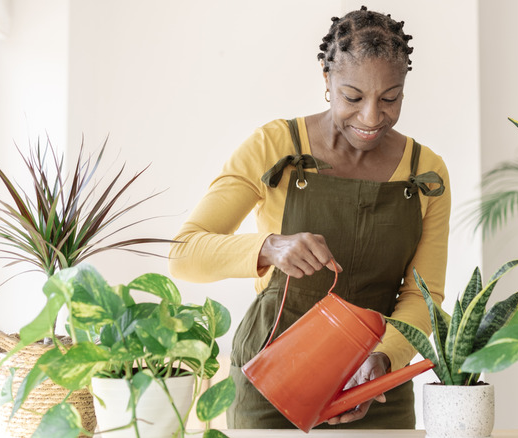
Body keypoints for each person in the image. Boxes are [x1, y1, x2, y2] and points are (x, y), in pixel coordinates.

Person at [168, 6, 450, 430]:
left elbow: (423, 296)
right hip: (270, 381)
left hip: (374, 385)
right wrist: (268, 247)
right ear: (326, 79)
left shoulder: (426, 171)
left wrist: (384, 358)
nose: (372, 118)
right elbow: (183, 254)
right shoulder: (274, 144)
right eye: (353, 97)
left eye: (390, 98)